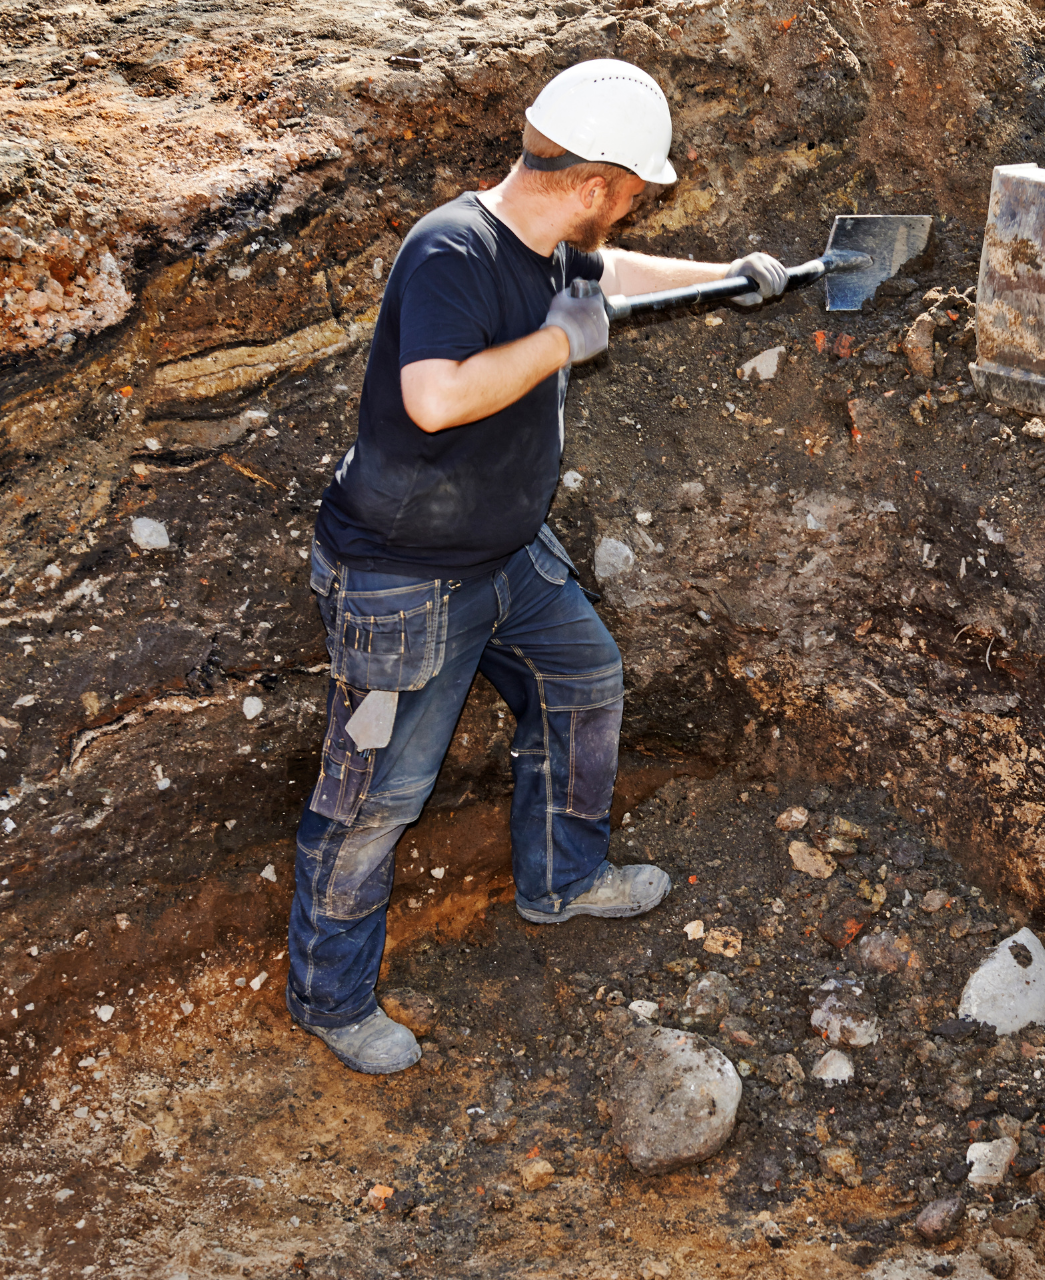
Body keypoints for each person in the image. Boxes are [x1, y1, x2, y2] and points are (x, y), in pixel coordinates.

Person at [286, 59, 788, 1075]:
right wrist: (560, 347)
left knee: (583, 680)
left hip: (505, 555)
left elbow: (611, 278)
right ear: (594, 183)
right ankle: (329, 997)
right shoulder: (452, 251)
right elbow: (432, 397)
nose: (629, 212)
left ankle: (562, 876)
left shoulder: (553, 241)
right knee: (377, 794)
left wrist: (730, 275)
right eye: (633, 194)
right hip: (404, 580)